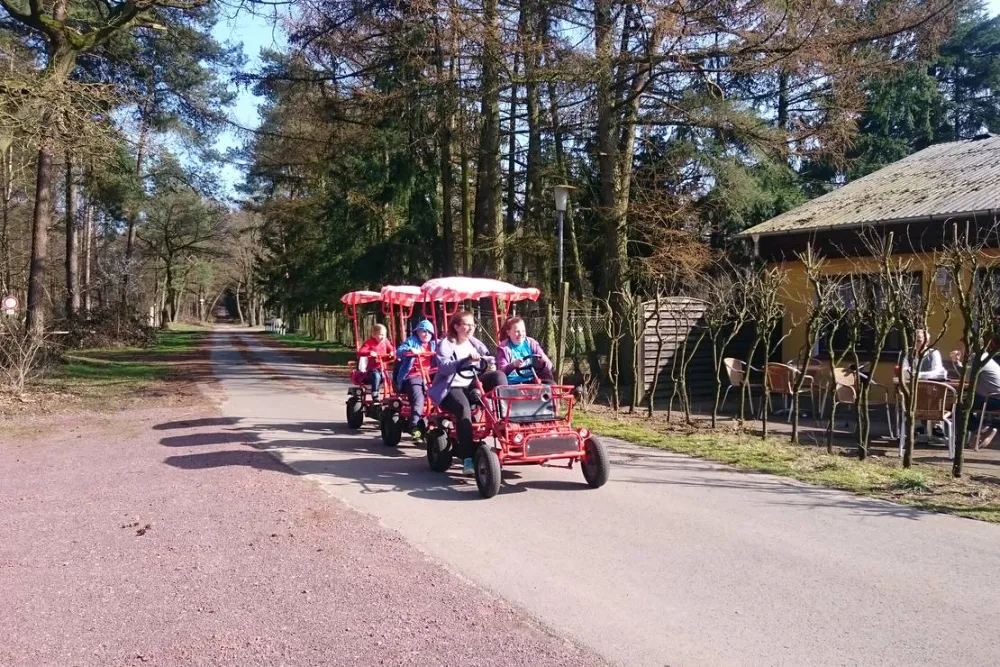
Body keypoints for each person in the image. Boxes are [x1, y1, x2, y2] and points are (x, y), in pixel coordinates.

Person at [428, 310, 507, 475]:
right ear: (456, 326)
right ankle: (468, 459)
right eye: (466, 324)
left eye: (473, 324)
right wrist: (464, 361)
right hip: (451, 388)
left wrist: (488, 362)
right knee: (464, 411)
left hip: (471, 383)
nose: (471, 328)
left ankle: (505, 417)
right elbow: (443, 367)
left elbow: (487, 358)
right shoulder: (446, 344)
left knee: (498, 375)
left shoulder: (474, 342)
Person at [949, 343, 1000, 450]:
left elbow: (967, 378)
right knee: (961, 404)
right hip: (990, 396)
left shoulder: (980, 359)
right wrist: (957, 362)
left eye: (961, 347)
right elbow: (967, 375)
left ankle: (982, 430)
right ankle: (981, 431)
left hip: (993, 398)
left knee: (959, 407)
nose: (960, 350)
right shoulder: (983, 357)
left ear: (970, 346)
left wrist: (956, 362)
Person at [393, 319, 437, 436]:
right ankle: (414, 426)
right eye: (423, 331)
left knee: (442, 395)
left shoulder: (434, 344)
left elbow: (448, 346)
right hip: (413, 375)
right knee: (419, 399)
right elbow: (399, 351)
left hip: (430, 375)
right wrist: (409, 350)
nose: (426, 334)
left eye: (429, 332)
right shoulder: (412, 341)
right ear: (417, 332)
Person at [495, 316, 554, 385]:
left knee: (549, 379)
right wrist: (513, 365)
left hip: (532, 380)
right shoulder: (504, 348)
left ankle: (555, 394)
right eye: (517, 331)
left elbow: (549, 365)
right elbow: (502, 370)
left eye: (523, 331)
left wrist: (544, 361)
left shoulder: (531, 343)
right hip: (513, 384)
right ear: (508, 333)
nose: (521, 334)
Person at [357, 323, 394, 399]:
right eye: (380, 334)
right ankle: (375, 394)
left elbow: (391, 349)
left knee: (390, 377)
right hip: (373, 368)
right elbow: (360, 351)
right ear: (374, 334)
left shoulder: (385, 341)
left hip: (383, 368)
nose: (382, 337)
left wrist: (391, 353)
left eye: (384, 334)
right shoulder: (369, 342)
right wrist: (370, 352)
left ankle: (392, 394)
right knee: (376, 376)